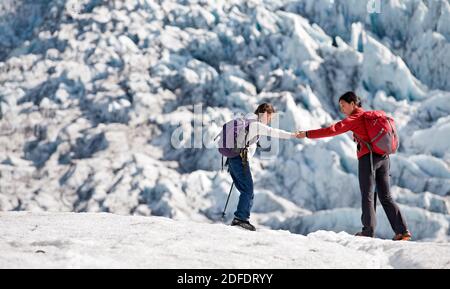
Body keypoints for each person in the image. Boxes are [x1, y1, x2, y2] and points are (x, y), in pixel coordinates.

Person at [296, 91, 412, 241]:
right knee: (386, 196)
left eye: (343, 105)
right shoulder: (369, 116)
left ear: (353, 104)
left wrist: (307, 134)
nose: (342, 109)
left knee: (367, 195)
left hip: (368, 158)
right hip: (384, 158)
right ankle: (402, 231)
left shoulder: (356, 118)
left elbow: (332, 130)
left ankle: (368, 231)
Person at [223, 103, 296, 231]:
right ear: (264, 114)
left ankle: (240, 218)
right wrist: (293, 135)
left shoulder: (248, 121)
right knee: (248, 190)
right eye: (269, 118)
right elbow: (273, 132)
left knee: (245, 190)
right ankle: (240, 219)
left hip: (233, 159)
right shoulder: (256, 125)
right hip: (239, 160)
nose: (270, 121)